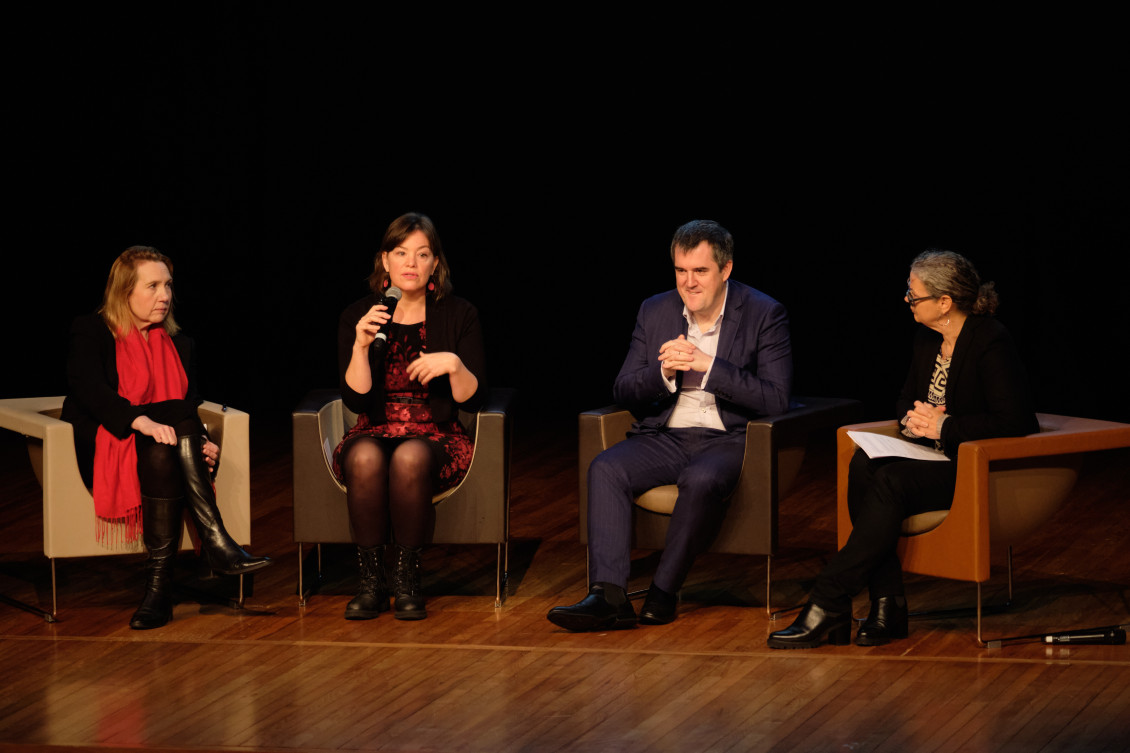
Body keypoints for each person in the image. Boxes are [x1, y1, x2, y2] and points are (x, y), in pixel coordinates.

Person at [768, 249, 1038, 649]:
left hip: (968, 464)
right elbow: (904, 399)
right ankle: (886, 603)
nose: (907, 301)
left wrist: (944, 425)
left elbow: (1016, 420)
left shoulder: (990, 340)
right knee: (863, 465)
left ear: (944, 302)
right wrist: (914, 417)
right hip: (927, 455)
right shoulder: (926, 340)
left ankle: (830, 599)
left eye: (915, 296)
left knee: (891, 480)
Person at [547, 219, 793, 631]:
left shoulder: (764, 313)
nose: (689, 283)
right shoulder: (655, 309)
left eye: (700, 271)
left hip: (729, 438)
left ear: (726, 269)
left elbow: (775, 398)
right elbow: (624, 388)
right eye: (681, 271)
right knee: (606, 467)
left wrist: (708, 366)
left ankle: (664, 590)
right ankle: (608, 596)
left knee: (700, 480)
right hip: (666, 435)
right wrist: (664, 374)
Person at [60, 246, 272, 631]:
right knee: (173, 430)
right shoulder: (90, 330)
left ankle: (158, 591)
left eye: (168, 285)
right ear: (124, 291)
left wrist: (200, 438)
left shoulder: (179, 343)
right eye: (153, 286)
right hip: (105, 440)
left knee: (166, 448)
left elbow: (186, 405)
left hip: (162, 447)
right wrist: (140, 420)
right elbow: (91, 391)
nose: (165, 295)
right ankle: (217, 543)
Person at [333, 212, 486, 621]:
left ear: (436, 263)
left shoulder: (459, 313)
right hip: (375, 426)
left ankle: (406, 580)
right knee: (364, 456)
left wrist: (453, 364)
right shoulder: (360, 315)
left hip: (436, 433)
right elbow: (356, 398)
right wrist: (360, 347)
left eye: (422, 254)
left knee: (409, 456)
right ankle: (369, 583)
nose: (411, 264)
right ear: (385, 261)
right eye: (401, 253)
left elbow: (472, 399)